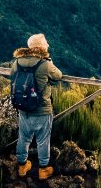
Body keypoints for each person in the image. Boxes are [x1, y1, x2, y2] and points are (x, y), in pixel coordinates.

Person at [12, 33, 63, 179]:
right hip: (42, 110)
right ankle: (43, 169)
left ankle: (22, 166)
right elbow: (58, 76)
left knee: (23, 138)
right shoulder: (45, 64)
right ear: (40, 47)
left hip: (23, 108)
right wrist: (49, 62)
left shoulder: (17, 62)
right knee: (43, 140)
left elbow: (12, 75)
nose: (48, 45)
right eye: (46, 43)